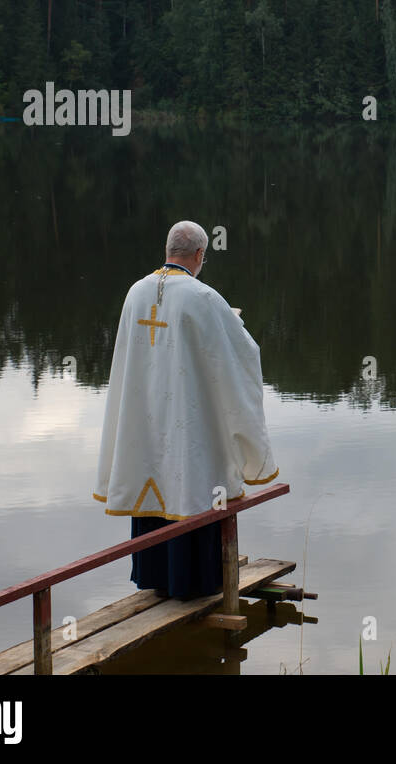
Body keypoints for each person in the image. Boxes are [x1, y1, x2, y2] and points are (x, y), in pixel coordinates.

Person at [95, 220, 277, 600]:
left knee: (151, 469)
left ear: (167, 250)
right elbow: (243, 354)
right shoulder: (203, 297)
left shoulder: (134, 293)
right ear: (199, 255)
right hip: (188, 418)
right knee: (192, 475)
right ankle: (194, 581)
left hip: (144, 417)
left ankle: (155, 575)